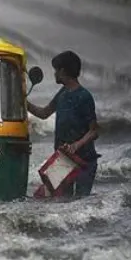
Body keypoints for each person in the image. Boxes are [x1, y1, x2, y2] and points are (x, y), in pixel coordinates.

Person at [27, 51, 100, 197]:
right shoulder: (63, 92)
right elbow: (44, 113)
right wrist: (24, 103)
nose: (54, 74)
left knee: (80, 203)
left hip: (84, 161)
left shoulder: (84, 96)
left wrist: (75, 145)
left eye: (56, 70)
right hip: (64, 158)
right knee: (53, 201)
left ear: (62, 71)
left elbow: (94, 131)